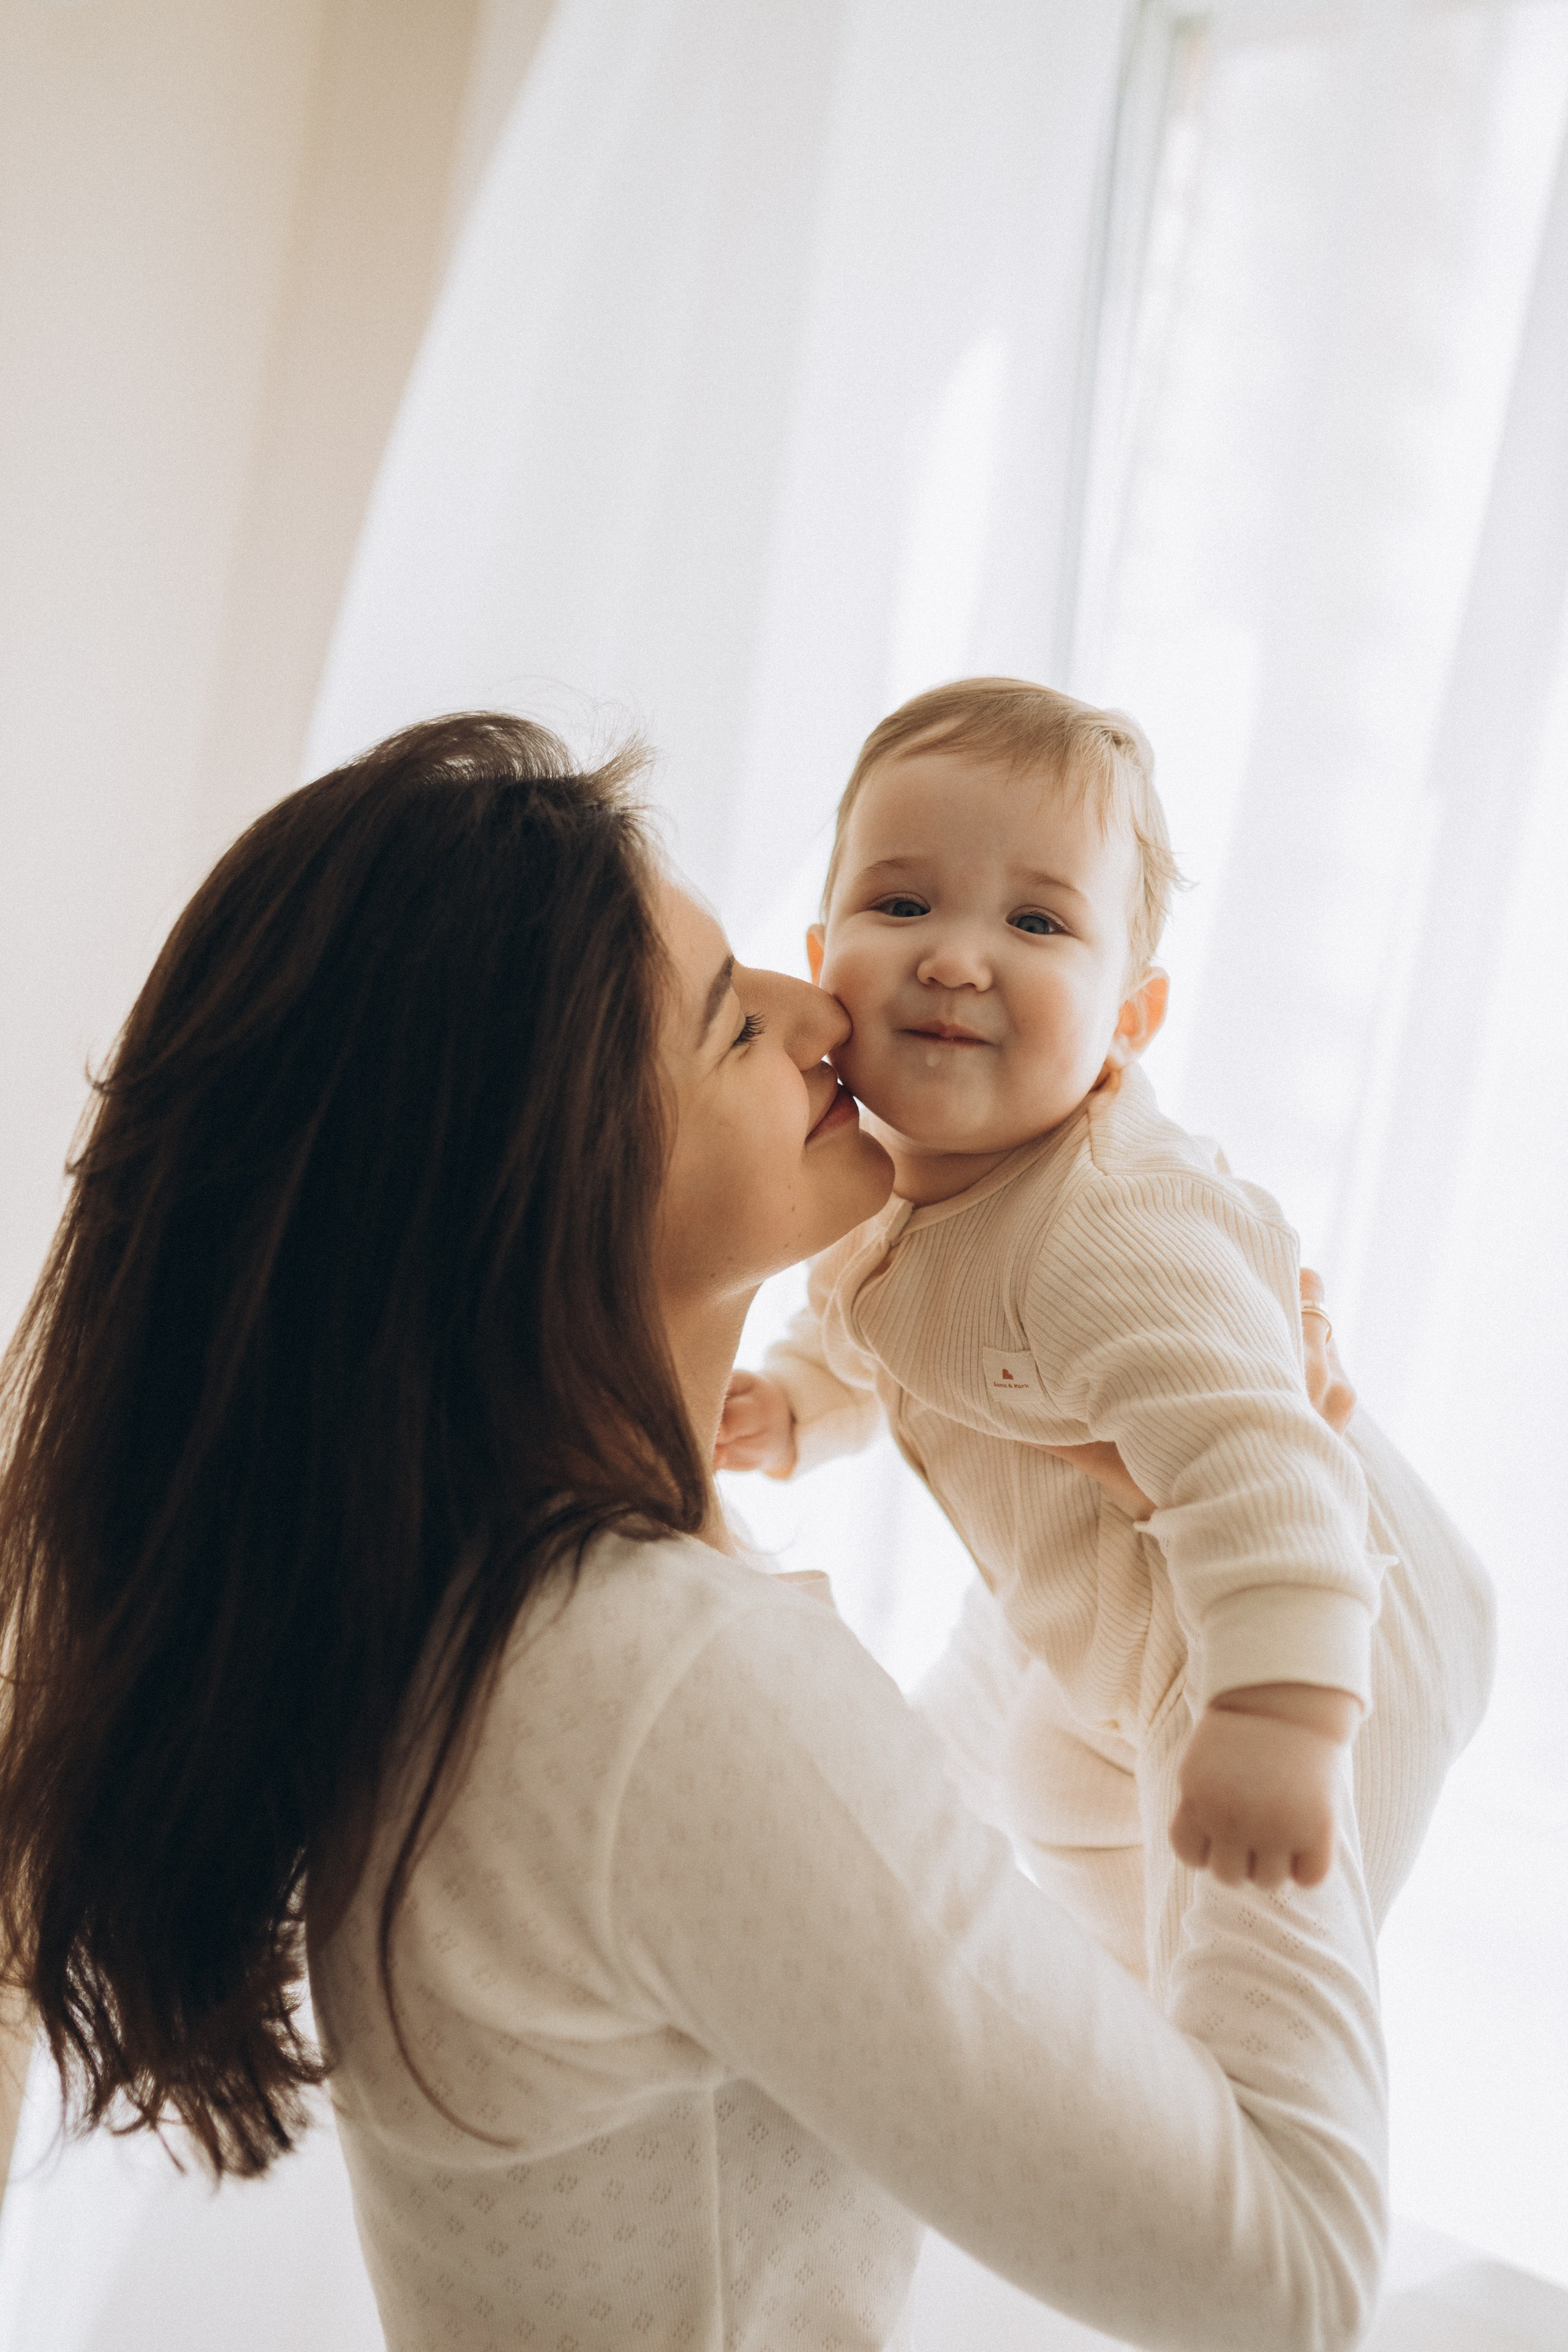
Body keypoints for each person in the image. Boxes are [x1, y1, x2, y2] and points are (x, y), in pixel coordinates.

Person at [0, 713, 1388, 2352]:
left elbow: (903, 1866)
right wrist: (1254, 1641)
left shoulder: (522, 1617)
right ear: (543, 1174)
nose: (830, 1016)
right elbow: (1290, 2276)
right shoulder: (647, 1684)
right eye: (734, 1021)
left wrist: (1147, 1448)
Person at [718, 677, 1493, 1987]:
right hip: (1141, 1612)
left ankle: (1174, 2055)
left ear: (1127, 1020)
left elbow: (1267, 1469)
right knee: (1052, 1793)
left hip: (1335, 1627)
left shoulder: (1105, 1236)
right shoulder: (877, 1173)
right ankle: (1116, 2004)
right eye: (899, 904)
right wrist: (796, 1401)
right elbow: (871, 1330)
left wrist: (1278, 1720)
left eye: (1034, 920)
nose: (955, 956)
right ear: (818, 952)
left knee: (1225, 1968)